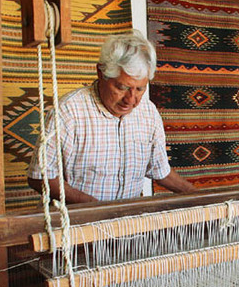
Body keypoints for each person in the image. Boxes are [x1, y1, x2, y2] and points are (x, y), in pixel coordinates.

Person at [27, 30, 196, 204]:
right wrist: (95, 208)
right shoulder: (69, 111)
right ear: (101, 73)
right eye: (122, 87)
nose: (131, 100)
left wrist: (198, 196)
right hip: (78, 225)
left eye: (140, 89)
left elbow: (160, 170)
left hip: (128, 225)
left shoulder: (149, 113)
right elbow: (39, 177)